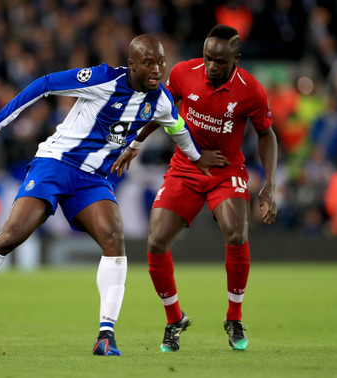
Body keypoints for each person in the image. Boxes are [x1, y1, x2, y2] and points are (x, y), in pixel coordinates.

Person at [0, 34, 208, 357]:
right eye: (149, 62)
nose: (158, 69)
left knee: (114, 238)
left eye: (161, 62)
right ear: (132, 64)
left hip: (92, 180)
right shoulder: (104, 78)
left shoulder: (160, 100)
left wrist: (200, 162)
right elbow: (46, 84)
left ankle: (106, 335)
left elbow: (177, 128)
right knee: (10, 236)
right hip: (55, 164)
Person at [112, 25, 278, 352]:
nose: (212, 65)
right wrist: (136, 142)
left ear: (236, 60)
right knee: (156, 241)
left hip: (225, 169)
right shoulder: (185, 73)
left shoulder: (251, 90)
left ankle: (234, 316)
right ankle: (174, 319)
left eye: (220, 60)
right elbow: (161, 110)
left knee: (236, 233)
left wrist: (269, 185)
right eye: (207, 58)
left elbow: (266, 134)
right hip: (185, 167)